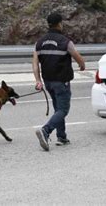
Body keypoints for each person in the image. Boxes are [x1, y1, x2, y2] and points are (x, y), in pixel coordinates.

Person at [33, 13, 85, 151]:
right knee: (63, 110)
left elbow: (35, 63)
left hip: (48, 81)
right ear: (59, 24)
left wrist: (38, 80)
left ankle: (61, 137)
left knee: (58, 109)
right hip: (61, 81)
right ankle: (46, 130)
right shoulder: (65, 41)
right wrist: (82, 65)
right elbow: (77, 57)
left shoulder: (40, 42)